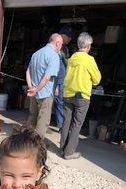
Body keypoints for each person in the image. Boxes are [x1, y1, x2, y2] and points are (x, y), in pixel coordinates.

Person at [60, 32, 101, 160]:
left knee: (66, 122)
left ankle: (63, 147)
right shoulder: (89, 60)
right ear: (88, 46)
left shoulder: (71, 58)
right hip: (81, 96)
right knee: (77, 124)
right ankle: (69, 152)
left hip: (67, 94)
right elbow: (97, 79)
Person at [26, 33, 63, 138]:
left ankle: (25, 140)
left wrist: (31, 88)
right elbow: (47, 77)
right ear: (57, 43)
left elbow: (28, 71)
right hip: (45, 93)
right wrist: (37, 89)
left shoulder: (36, 53)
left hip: (33, 91)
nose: (61, 47)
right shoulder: (54, 56)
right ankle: (36, 145)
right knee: (43, 120)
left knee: (32, 116)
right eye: (61, 45)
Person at [54, 26, 73, 130]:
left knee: (60, 102)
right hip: (56, 80)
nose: (70, 40)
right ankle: (61, 126)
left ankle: (61, 124)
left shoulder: (64, 48)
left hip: (61, 80)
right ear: (63, 36)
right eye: (69, 37)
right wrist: (56, 84)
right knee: (59, 103)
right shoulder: (57, 47)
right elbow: (55, 66)